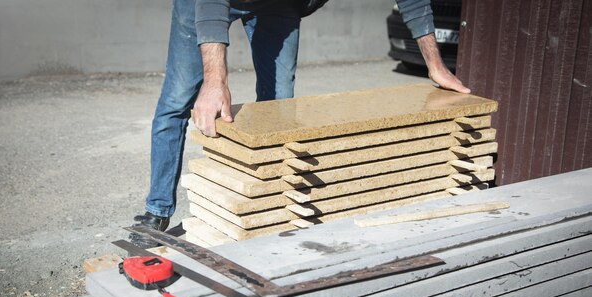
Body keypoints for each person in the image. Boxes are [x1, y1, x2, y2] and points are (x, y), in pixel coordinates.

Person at [130, 0, 470, 248]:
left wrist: (434, 63)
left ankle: (264, 214)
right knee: (177, 101)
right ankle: (157, 210)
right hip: (204, 4)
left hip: (279, 5)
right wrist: (215, 78)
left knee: (279, 111)